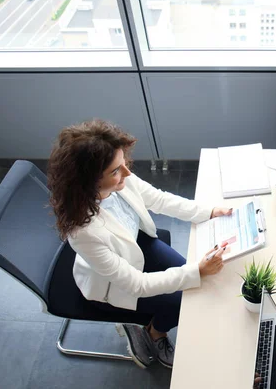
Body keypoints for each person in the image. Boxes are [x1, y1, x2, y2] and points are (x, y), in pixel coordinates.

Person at [47, 119, 232, 369]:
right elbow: (135, 284)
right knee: (182, 300)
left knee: (192, 285)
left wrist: (209, 211)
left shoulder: (122, 179)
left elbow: (160, 200)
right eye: (115, 171)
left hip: (135, 244)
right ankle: (155, 333)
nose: (127, 173)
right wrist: (197, 270)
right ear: (88, 181)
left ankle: (148, 325)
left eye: (123, 164)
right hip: (113, 284)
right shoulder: (84, 232)